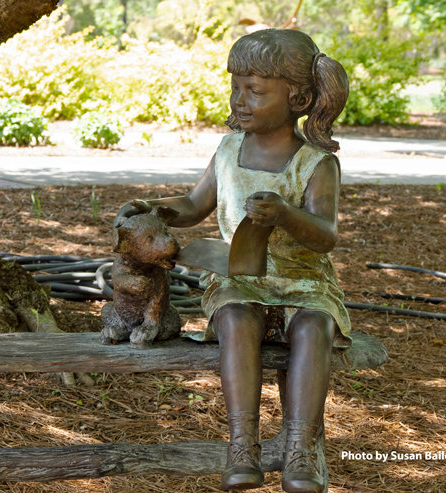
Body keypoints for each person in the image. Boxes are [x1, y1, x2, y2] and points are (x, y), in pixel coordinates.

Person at [115, 29, 350, 492]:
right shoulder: (227, 151)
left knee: (313, 328)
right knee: (237, 321)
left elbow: (326, 236)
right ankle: (243, 444)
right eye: (235, 87)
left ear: (298, 97)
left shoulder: (316, 163)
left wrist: (285, 214)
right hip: (240, 280)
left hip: (304, 283)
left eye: (255, 90)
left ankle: (300, 449)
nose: (240, 100)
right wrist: (159, 208)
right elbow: (194, 203)